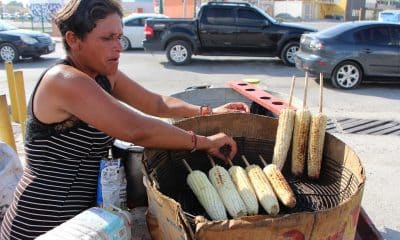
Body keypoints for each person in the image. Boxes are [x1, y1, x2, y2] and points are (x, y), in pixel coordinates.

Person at [0, 0, 249, 239]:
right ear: (73, 40)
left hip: (84, 221)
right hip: (43, 221)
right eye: (107, 38)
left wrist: (208, 112)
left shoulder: (105, 75)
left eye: (119, 36)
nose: (118, 46)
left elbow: (156, 103)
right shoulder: (64, 80)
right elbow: (136, 129)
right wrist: (204, 142)